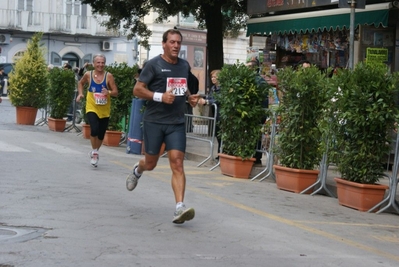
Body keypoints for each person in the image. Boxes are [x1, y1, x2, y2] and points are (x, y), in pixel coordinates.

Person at [127, 29, 200, 224]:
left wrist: (190, 97)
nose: (176, 46)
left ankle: (179, 207)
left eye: (178, 43)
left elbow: (181, 87)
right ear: (164, 44)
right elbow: (137, 89)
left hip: (175, 122)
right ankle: (138, 170)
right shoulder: (153, 65)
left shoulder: (184, 65)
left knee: (177, 163)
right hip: (154, 122)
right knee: (151, 163)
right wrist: (159, 96)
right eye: (172, 42)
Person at [76, 54, 118, 167]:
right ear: (94, 64)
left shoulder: (108, 76)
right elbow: (80, 83)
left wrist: (108, 92)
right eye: (98, 62)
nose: (100, 65)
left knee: (101, 134)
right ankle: (94, 152)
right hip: (92, 106)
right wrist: (80, 94)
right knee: (94, 129)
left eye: (102, 62)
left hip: (104, 109)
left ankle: (95, 151)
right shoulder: (88, 74)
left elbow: (115, 92)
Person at [246, 59, 269, 166]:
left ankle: (255, 156)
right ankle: (256, 157)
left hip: (255, 112)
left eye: (248, 67)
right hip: (260, 112)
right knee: (256, 135)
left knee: (253, 134)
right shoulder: (261, 81)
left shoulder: (253, 81)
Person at [197, 69, 222, 159]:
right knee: (217, 135)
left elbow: (218, 100)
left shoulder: (222, 88)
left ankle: (221, 154)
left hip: (221, 115)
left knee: (222, 136)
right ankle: (219, 154)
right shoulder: (213, 88)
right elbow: (209, 97)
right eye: (212, 77)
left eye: (215, 77)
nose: (213, 79)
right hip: (215, 115)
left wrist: (206, 101)